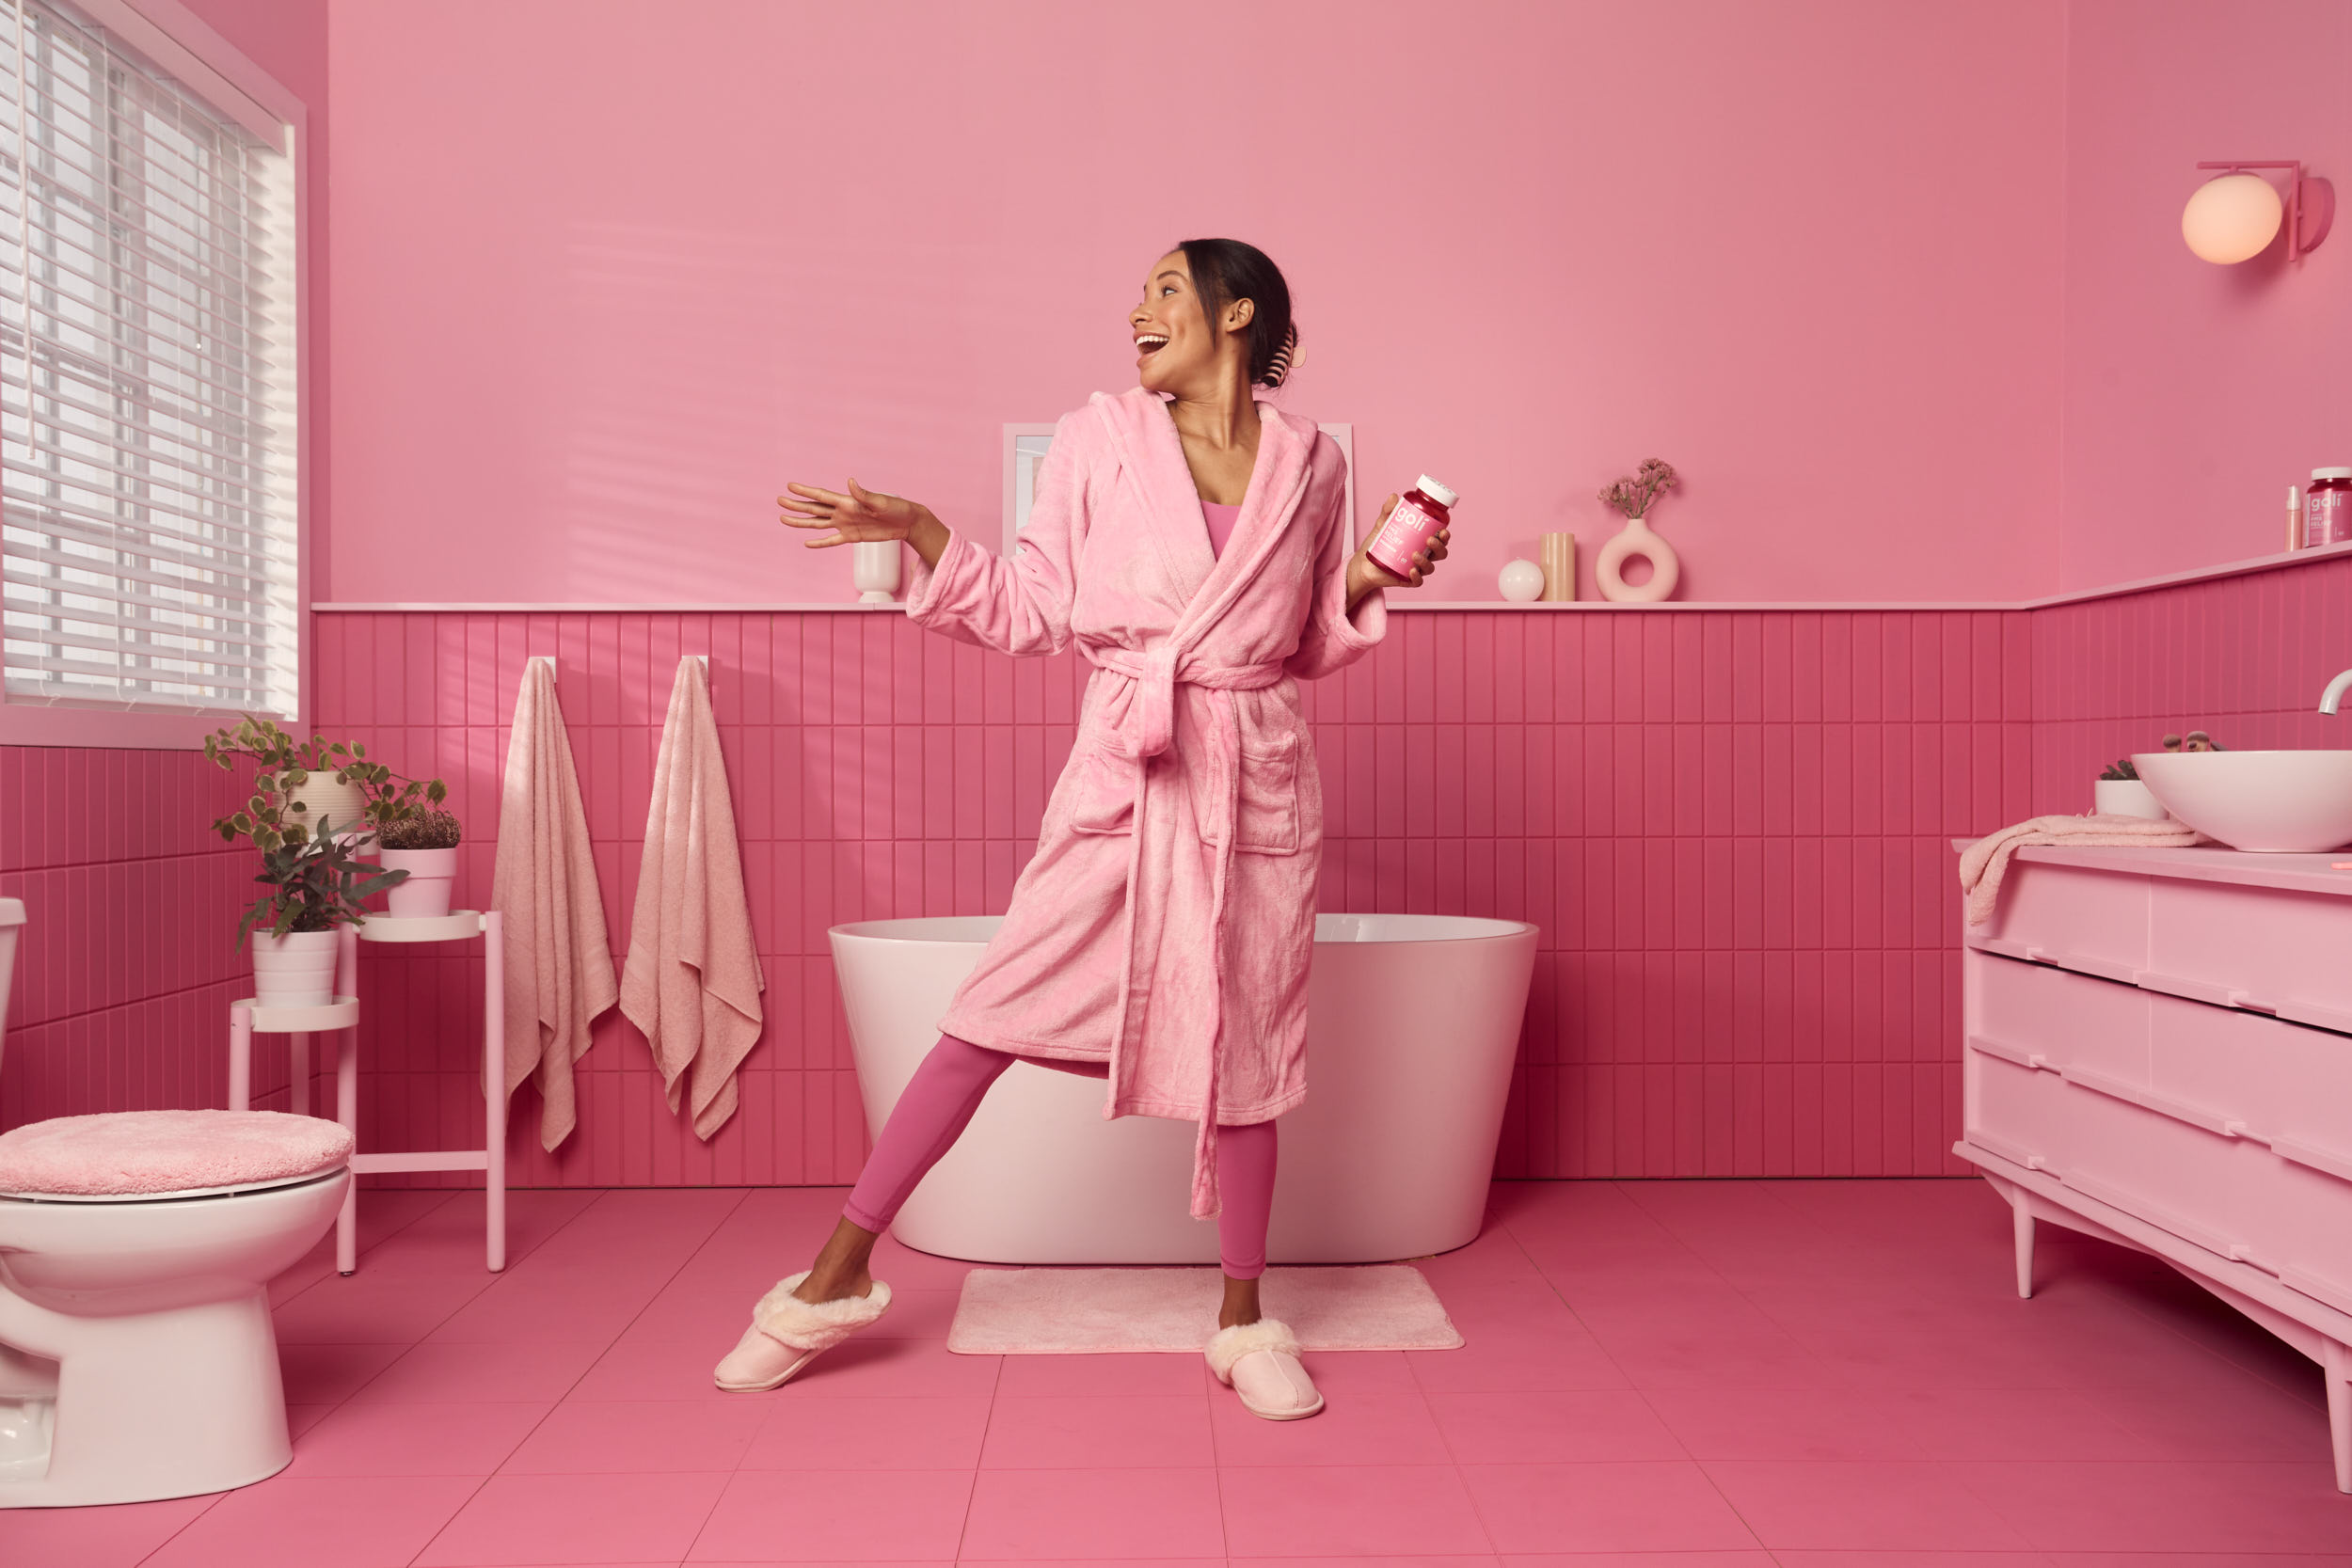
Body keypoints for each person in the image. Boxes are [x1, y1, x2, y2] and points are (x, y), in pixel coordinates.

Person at [715, 239, 1448, 1420]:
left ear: (1236, 312)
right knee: (983, 1018)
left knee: (1248, 1054)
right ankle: (831, 1277)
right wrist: (917, 525)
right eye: (1141, 293)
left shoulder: (1311, 465)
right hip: (1129, 770)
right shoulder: (1096, 439)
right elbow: (1034, 609)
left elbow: (1302, 639)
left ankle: (1243, 1318)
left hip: (1253, 775)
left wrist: (1368, 576)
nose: (1137, 311)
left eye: (1166, 290)